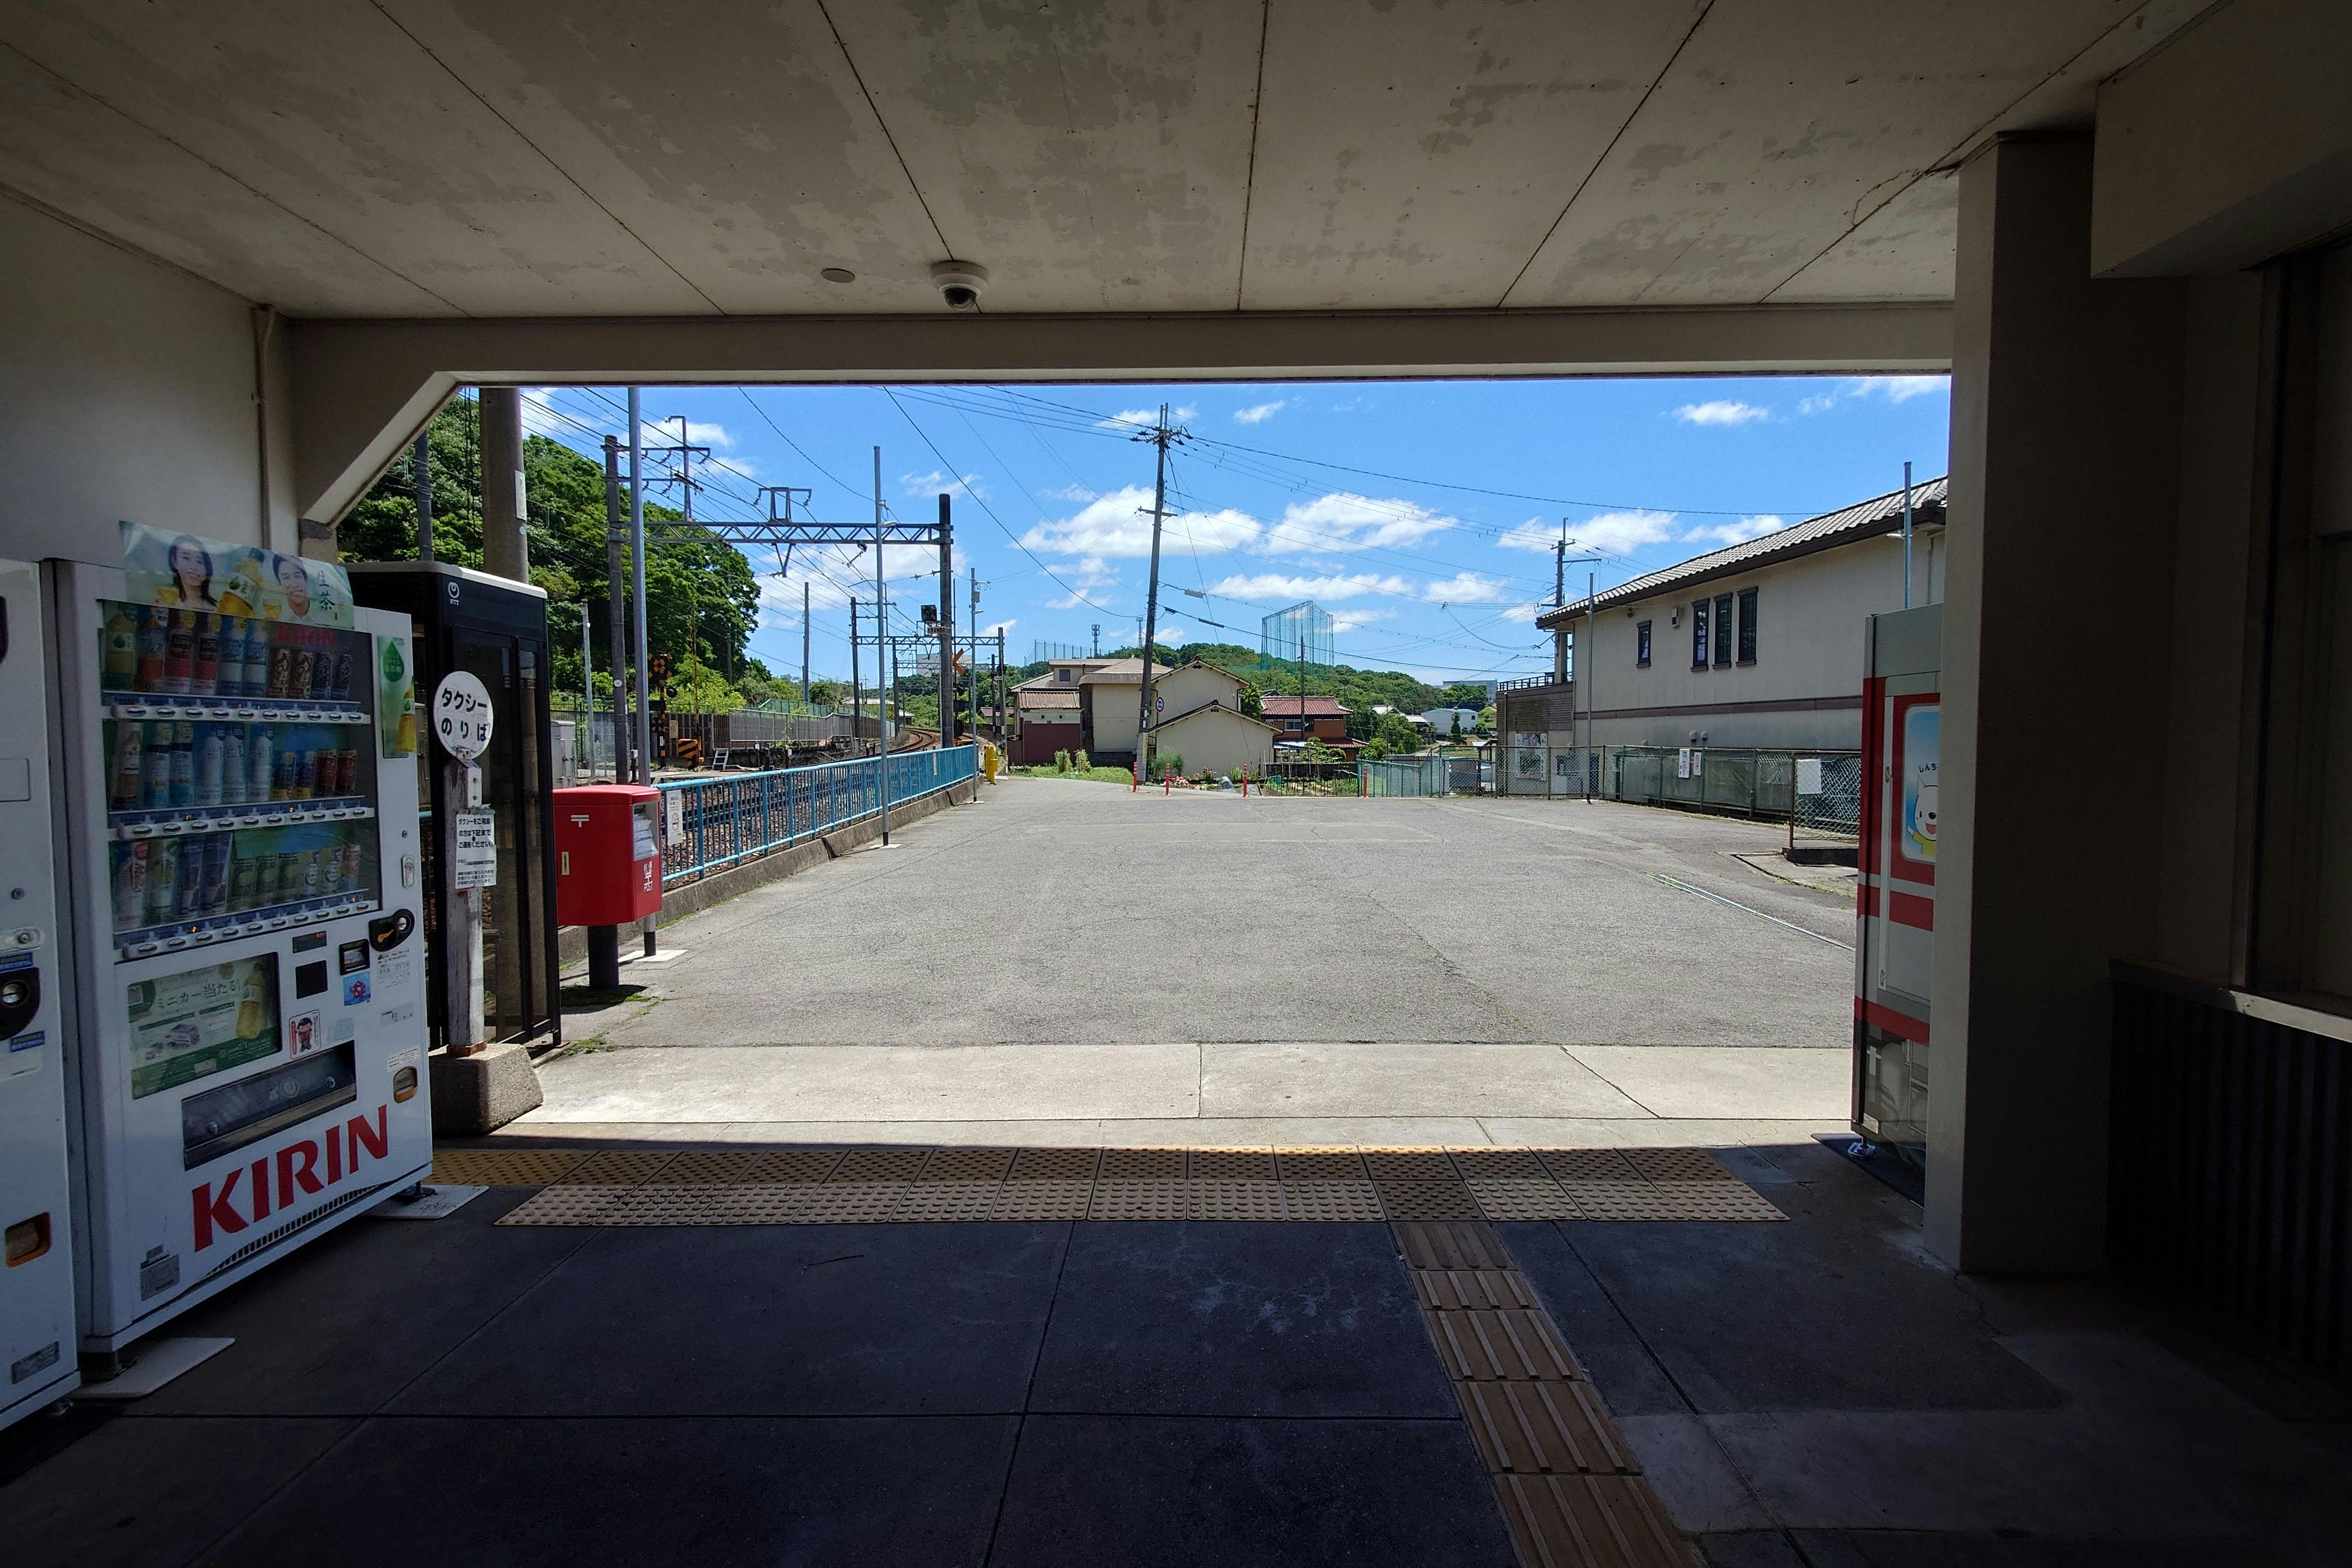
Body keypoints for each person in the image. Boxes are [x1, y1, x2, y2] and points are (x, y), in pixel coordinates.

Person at [165, 535, 216, 610]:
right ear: (174, 562)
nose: (193, 566)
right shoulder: (167, 603)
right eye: (186, 558)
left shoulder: (216, 609)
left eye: (199, 561)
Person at [273, 553, 313, 619]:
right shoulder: (275, 616)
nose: (294, 584)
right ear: (279, 584)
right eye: (286, 578)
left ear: (306, 579)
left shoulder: (327, 616)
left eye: (297, 576)